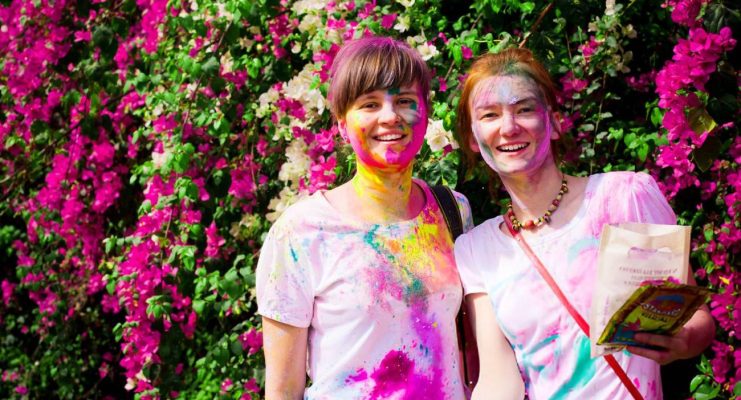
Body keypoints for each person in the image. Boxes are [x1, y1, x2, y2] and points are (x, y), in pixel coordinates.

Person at [453, 48, 716, 399]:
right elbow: (499, 379)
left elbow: (697, 316)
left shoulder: (624, 197)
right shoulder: (477, 249)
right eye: (489, 115)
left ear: (555, 122)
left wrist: (682, 342)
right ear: (473, 138)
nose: (509, 127)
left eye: (525, 109)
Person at [256, 36, 473, 399]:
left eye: (404, 101)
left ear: (426, 112)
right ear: (342, 124)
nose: (390, 117)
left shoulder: (452, 211)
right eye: (369, 104)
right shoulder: (300, 233)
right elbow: (282, 390)